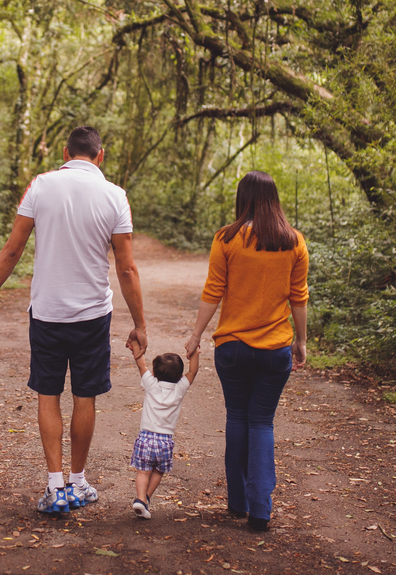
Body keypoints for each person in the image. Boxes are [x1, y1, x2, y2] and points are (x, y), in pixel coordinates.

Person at [0, 125, 147, 515]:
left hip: (48, 313)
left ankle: (55, 487)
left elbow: (13, 248)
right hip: (93, 315)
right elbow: (126, 268)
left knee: (48, 394)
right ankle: (79, 482)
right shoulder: (115, 195)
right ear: (101, 155)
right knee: (85, 396)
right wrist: (140, 324)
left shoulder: (40, 185)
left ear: (66, 152)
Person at [184, 170, 308, 532]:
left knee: (237, 417)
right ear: (274, 200)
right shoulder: (294, 241)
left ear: (243, 199)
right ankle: (260, 511)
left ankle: (237, 502)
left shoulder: (226, 238)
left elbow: (213, 290)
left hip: (232, 348)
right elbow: (298, 297)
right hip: (275, 349)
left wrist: (196, 335)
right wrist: (301, 341)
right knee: (262, 421)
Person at [127, 339, 199, 519]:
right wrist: (194, 353)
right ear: (180, 376)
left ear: (154, 373)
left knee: (143, 471)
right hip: (165, 441)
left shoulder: (151, 384)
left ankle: (140, 498)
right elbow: (193, 371)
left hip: (146, 438)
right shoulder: (179, 389)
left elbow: (141, 364)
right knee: (158, 471)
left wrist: (135, 345)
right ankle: (146, 499)